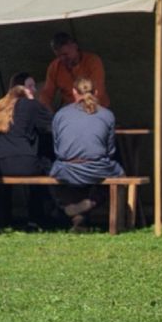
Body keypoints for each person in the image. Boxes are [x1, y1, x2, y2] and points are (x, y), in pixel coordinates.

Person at [50, 77, 124, 230]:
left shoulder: (60, 114)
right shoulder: (107, 115)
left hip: (68, 168)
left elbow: (57, 148)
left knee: (54, 173)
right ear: (96, 92)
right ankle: (93, 203)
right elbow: (110, 150)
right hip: (97, 167)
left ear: (73, 92)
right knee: (121, 176)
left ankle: (70, 209)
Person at [0, 72, 54, 227]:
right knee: (45, 163)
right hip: (27, 163)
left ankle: (2, 218)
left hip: (2, 164)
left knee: (5, 175)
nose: (34, 90)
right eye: (30, 86)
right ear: (20, 88)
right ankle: (37, 217)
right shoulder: (30, 105)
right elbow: (52, 123)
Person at [41, 32, 109, 113]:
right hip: (71, 110)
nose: (62, 59)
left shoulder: (92, 61)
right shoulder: (54, 66)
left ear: (75, 47)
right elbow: (46, 94)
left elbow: (98, 91)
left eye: (65, 54)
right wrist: (48, 113)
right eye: (59, 56)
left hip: (96, 107)